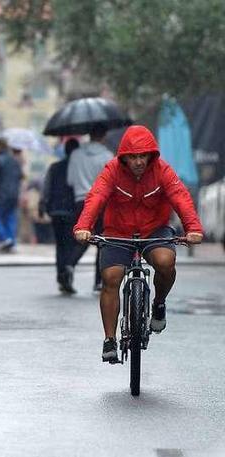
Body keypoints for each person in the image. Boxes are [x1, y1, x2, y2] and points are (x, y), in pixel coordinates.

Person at [73, 126, 203, 363]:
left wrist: (193, 228)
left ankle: (159, 303)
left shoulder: (163, 170)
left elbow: (180, 196)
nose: (138, 162)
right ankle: (110, 340)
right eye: (133, 157)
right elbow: (97, 196)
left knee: (166, 262)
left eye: (143, 156)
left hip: (154, 229)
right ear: (124, 157)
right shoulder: (112, 170)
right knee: (111, 277)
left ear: (151, 156)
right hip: (117, 231)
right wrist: (83, 227)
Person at [68, 125, 114, 291]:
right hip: (102, 202)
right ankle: (99, 280)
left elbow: (70, 180)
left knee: (82, 237)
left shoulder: (76, 154)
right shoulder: (108, 156)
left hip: (80, 200)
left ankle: (70, 264)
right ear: (103, 136)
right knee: (103, 240)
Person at [41, 138, 80, 294]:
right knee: (70, 244)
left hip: (56, 210)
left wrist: (42, 205)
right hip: (72, 210)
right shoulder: (77, 167)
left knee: (60, 245)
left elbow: (47, 188)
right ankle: (67, 274)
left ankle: (61, 276)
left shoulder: (55, 167)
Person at [0, 138, 23, 251]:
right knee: (10, 217)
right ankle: (11, 241)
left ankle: (3, 238)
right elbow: (20, 177)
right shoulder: (15, 161)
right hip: (13, 194)